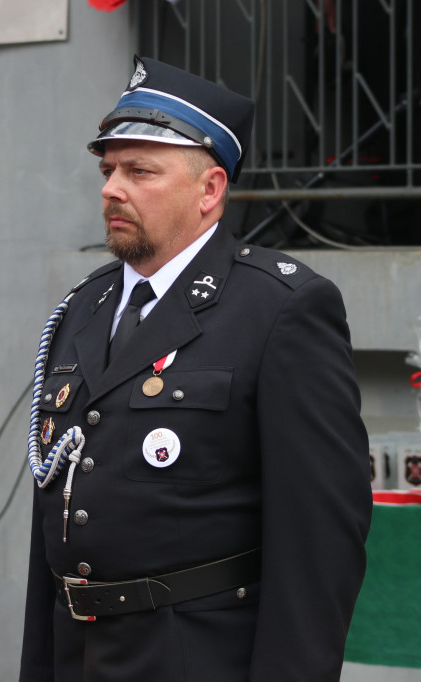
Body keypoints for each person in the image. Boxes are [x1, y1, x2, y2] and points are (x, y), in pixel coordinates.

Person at [19, 56, 372, 681]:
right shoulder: (84, 307)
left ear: (209, 190)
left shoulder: (279, 308)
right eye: (108, 170)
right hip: (78, 655)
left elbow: (319, 544)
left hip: (198, 655)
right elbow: (55, 523)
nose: (111, 188)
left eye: (139, 171)